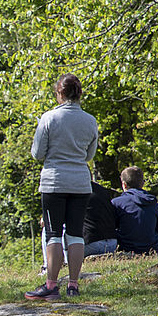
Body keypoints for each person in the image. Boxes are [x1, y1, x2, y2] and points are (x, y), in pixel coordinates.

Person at [25, 73, 98, 299]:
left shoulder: (49, 118)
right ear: (79, 94)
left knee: (54, 233)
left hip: (54, 181)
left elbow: (37, 154)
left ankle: (51, 284)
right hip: (80, 182)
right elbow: (90, 154)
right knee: (76, 233)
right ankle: (74, 285)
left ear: (60, 93)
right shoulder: (90, 120)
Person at [111, 166, 158, 254]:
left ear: (124, 184)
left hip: (125, 249)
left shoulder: (117, 203)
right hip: (151, 249)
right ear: (142, 183)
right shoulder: (153, 203)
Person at [82, 181, 119, 256]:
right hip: (112, 243)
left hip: (90, 243)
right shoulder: (103, 190)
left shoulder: (78, 190)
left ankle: (67, 263)